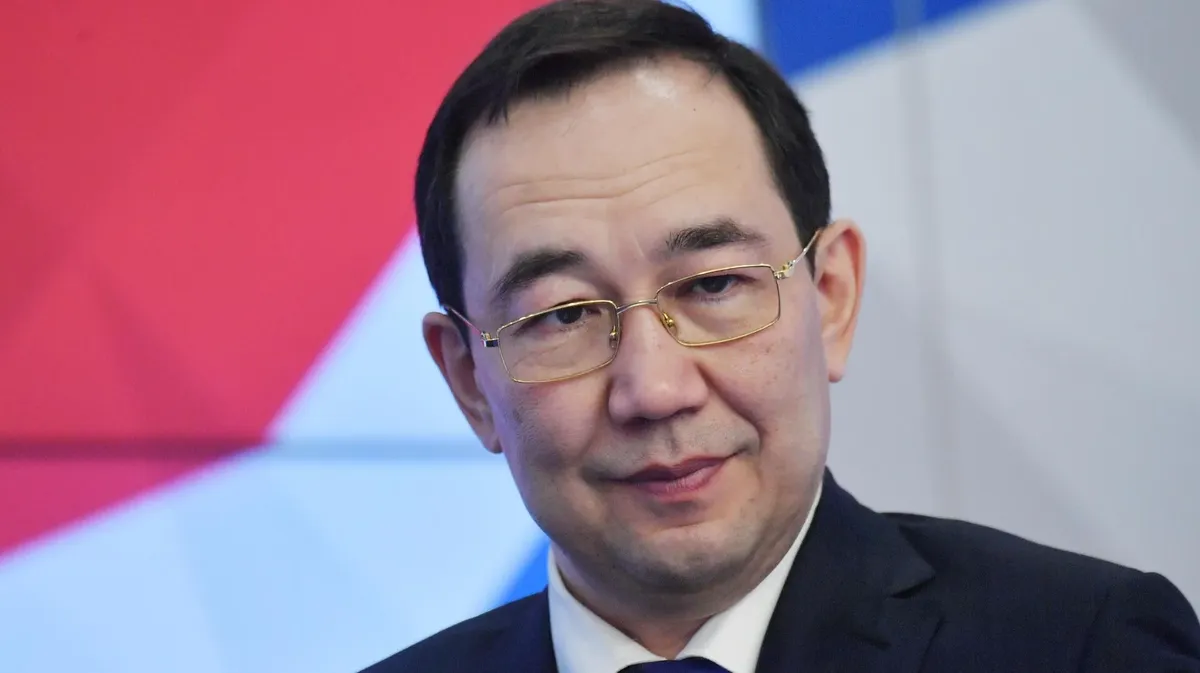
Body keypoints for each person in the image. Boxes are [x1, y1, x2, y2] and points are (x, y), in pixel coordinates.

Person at [362, 1, 1200, 671]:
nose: (655, 389)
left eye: (713, 285)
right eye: (564, 315)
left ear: (830, 296)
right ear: (468, 381)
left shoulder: (1087, 646)